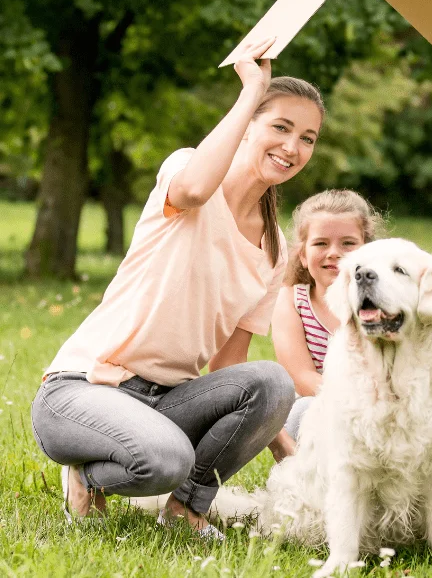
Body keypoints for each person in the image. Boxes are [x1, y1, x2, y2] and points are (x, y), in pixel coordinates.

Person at [30, 38, 324, 539]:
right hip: (83, 390)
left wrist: (292, 461)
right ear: (248, 123)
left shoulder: (275, 248)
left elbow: (229, 368)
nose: (292, 147)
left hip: (166, 402)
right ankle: (86, 473)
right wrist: (251, 90)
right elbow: (193, 189)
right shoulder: (188, 174)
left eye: (308, 137)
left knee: (272, 380)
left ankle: (186, 510)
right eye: (280, 127)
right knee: (165, 461)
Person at [271, 189, 384, 451]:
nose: (334, 252)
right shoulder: (292, 301)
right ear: (302, 254)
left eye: (347, 243)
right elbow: (301, 376)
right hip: (316, 408)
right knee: (311, 411)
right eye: (321, 243)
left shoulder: (381, 304)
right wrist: (356, 404)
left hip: (377, 412)